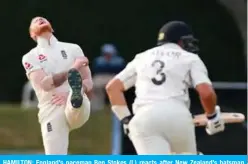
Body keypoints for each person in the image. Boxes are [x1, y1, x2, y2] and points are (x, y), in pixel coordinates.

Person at [105, 21, 225, 155]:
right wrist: (212, 116)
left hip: (144, 118)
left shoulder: (142, 57)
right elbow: (206, 93)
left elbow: (113, 88)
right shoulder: (190, 58)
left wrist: (126, 120)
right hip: (177, 116)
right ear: (181, 41)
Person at [22, 16, 93, 154]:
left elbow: (88, 81)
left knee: (76, 96)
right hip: (51, 107)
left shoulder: (73, 48)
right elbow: (45, 84)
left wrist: (69, 95)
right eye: (35, 21)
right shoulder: (30, 57)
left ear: (52, 27)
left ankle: (74, 97)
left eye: (43, 19)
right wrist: (74, 68)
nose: (40, 19)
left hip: (77, 104)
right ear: (32, 34)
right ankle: (74, 96)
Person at [91, 44, 125, 111]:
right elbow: (97, 70)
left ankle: (117, 106)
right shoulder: (99, 60)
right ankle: (96, 107)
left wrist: (108, 65)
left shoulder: (119, 60)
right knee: (94, 85)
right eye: (106, 53)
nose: (108, 55)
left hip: (114, 77)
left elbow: (120, 71)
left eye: (109, 53)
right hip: (101, 77)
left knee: (116, 87)